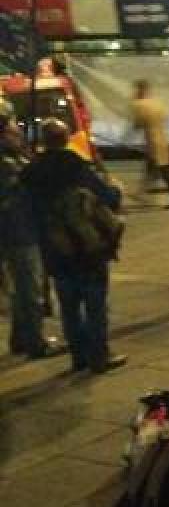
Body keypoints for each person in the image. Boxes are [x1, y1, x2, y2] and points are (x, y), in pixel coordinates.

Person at [22, 119, 125, 374]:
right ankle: (99, 356)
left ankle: (78, 356)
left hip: (56, 249)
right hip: (88, 247)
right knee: (95, 303)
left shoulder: (32, 172)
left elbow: (29, 213)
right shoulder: (77, 167)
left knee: (68, 305)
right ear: (66, 138)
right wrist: (114, 189)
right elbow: (108, 198)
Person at [0, 116, 62, 359]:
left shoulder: (14, 159)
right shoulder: (7, 164)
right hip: (18, 232)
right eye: (16, 133)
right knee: (30, 289)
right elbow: (26, 189)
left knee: (22, 289)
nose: (21, 137)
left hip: (19, 230)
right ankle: (36, 342)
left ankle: (21, 337)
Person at [130, 80, 169, 209]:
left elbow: (138, 124)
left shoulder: (139, 104)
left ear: (140, 89)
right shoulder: (158, 102)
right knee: (154, 169)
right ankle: (141, 194)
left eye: (136, 89)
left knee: (163, 172)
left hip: (152, 142)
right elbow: (166, 118)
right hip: (164, 139)